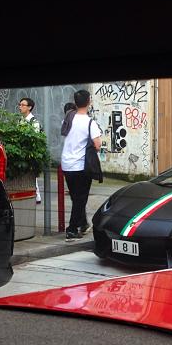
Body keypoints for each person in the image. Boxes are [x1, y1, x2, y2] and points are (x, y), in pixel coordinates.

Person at [61, 90, 102, 240]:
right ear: (89, 102)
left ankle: (83, 224)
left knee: (76, 197)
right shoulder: (90, 122)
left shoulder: (68, 118)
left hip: (66, 164)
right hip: (80, 166)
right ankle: (72, 229)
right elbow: (97, 145)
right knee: (80, 198)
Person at [18, 97, 43, 204]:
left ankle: (37, 196)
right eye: (19, 105)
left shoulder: (34, 122)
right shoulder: (20, 120)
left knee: (31, 175)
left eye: (23, 105)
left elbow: (35, 138)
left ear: (29, 107)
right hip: (21, 151)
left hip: (30, 153)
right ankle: (36, 196)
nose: (20, 107)